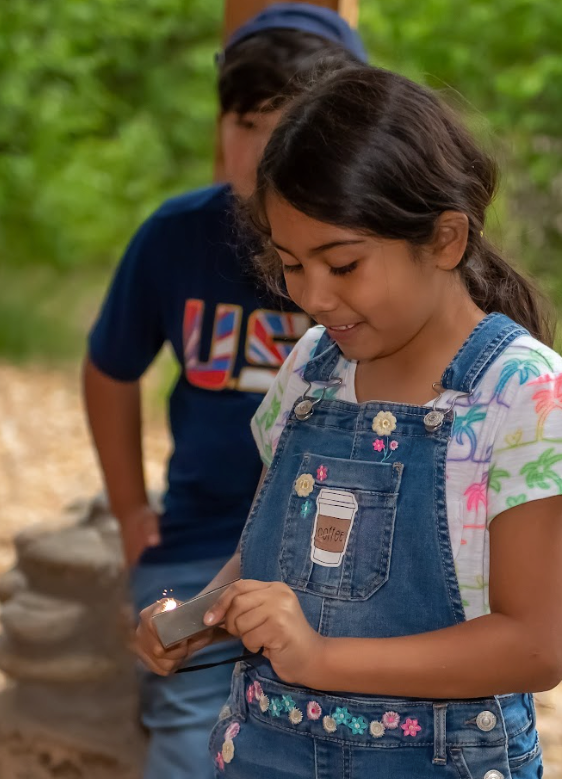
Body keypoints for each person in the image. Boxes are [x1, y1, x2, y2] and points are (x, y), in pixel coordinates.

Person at [135, 65, 562, 778]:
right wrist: (199, 618)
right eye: (291, 264)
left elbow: (535, 646)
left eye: (343, 264)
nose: (313, 296)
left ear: (445, 239)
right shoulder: (310, 368)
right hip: (266, 751)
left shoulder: (523, 393)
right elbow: (278, 557)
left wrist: (321, 659)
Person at [82, 7, 366, 779]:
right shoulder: (175, 236)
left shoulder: (365, 257)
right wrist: (129, 509)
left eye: (290, 122)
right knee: (194, 732)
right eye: (246, 120)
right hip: (206, 538)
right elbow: (109, 364)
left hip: (345, 554)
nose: (266, 145)